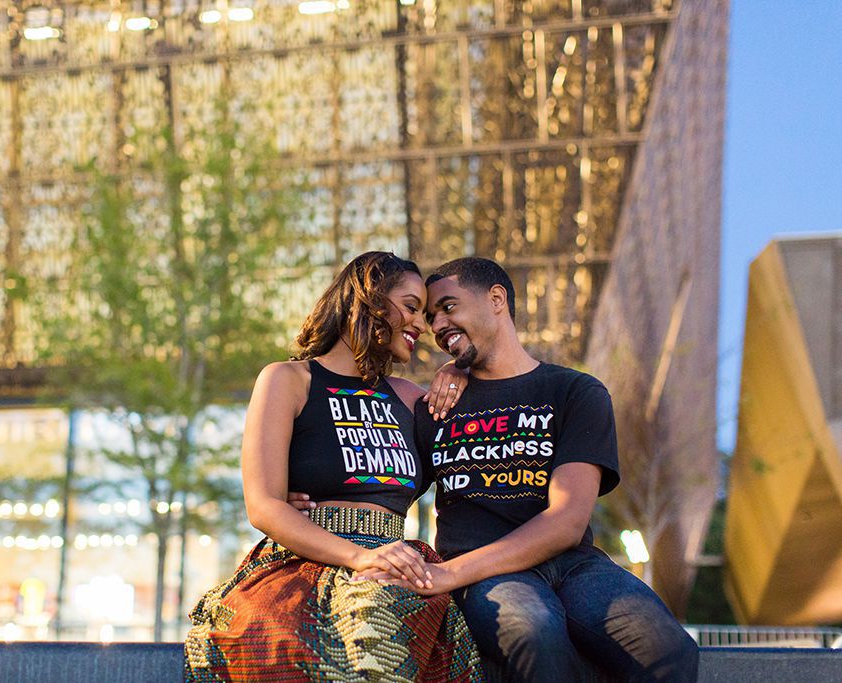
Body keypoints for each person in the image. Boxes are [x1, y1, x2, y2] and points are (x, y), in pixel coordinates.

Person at [356, 256, 699, 682]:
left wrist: (445, 574)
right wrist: (302, 500)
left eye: (448, 307)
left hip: (574, 567)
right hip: (483, 571)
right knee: (535, 633)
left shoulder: (574, 391)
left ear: (496, 299)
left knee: (668, 648)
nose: (437, 325)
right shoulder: (435, 408)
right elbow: (380, 479)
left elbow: (567, 522)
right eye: (430, 316)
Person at [184, 252, 483, 682]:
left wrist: (461, 372)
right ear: (369, 300)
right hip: (301, 564)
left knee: (382, 623)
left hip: (396, 565)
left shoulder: (413, 399)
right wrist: (360, 557)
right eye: (412, 307)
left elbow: (486, 444)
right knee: (265, 639)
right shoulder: (288, 380)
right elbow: (264, 507)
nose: (423, 325)